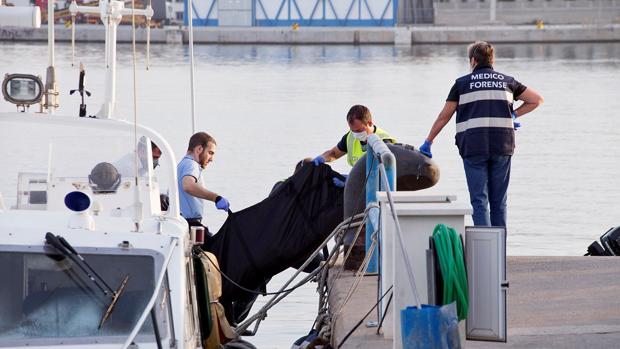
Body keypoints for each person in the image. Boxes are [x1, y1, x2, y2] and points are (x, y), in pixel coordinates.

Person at [418, 41, 543, 227]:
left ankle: (485, 251)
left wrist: (429, 141)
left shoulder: (462, 84)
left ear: (473, 61)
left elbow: (444, 116)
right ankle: (500, 251)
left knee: (479, 201)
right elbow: (536, 100)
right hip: (502, 146)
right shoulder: (507, 82)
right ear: (492, 60)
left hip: (473, 147)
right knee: (499, 202)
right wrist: (513, 114)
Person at [312, 104, 396, 169]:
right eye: (353, 130)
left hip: (375, 184)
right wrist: (322, 158)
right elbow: (334, 153)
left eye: (359, 130)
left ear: (369, 123)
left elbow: (387, 170)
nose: (356, 134)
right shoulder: (350, 137)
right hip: (356, 180)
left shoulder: (384, 142)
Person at [177, 132, 230, 232]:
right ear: (199, 149)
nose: (212, 159)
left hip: (183, 222)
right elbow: (188, 185)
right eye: (210, 153)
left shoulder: (182, 164)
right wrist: (216, 198)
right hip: (189, 223)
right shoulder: (191, 164)